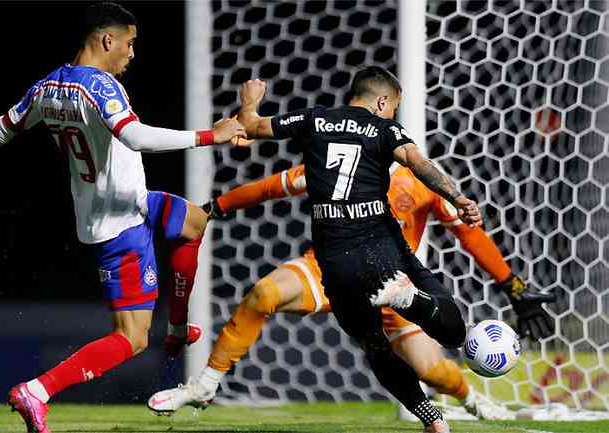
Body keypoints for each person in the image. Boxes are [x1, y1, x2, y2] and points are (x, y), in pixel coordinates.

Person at [0, 3, 245, 433]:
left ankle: (179, 327)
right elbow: (134, 135)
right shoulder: (99, 85)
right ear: (107, 40)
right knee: (131, 338)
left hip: (132, 202)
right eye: (129, 44)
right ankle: (38, 390)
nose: (132, 54)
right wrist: (209, 136)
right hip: (119, 227)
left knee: (194, 222)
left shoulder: (48, 87)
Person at [154, 66, 480, 433]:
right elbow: (419, 164)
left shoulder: (314, 121)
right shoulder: (386, 130)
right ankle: (410, 300)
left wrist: (250, 102)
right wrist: (457, 196)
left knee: (374, 347)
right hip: (382, 249)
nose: (393, 115)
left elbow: (252, 128)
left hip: (336, 263)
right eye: (394, 108)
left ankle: (433, 420)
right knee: (452, 331)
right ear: (383, 101)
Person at [148, 164, 556, 421]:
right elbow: (274, 186)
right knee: (263, 294)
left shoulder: (423, 181)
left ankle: (472, 401)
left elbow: (469, 234)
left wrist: (513, 287)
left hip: (393, 284)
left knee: (431, 371)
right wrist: (216, 207)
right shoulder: (336, 165)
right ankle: (205, 384)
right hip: (329, 268)